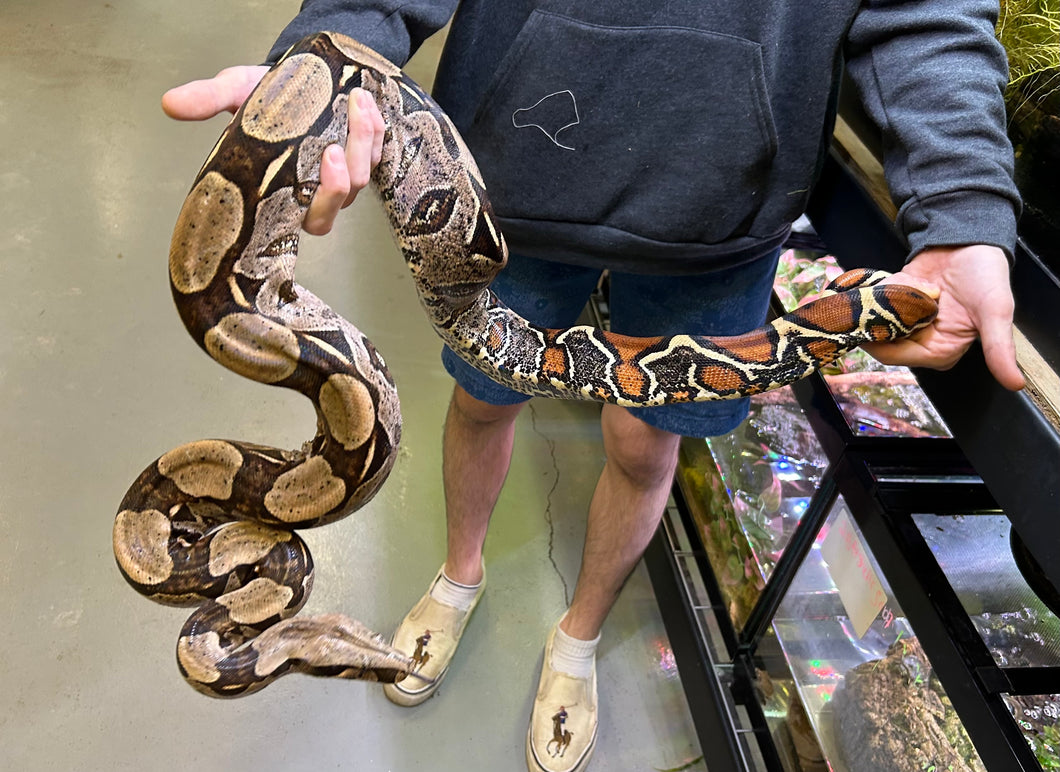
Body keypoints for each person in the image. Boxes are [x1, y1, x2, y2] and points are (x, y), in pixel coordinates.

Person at [162, 2, 1026, 770]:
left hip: (724, 216)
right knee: (481, 400)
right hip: (501, 196)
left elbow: (929, 8)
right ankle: (459, 578)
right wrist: (328, 57)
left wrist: (962, 205)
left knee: (645, 448)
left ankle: (578, 636)